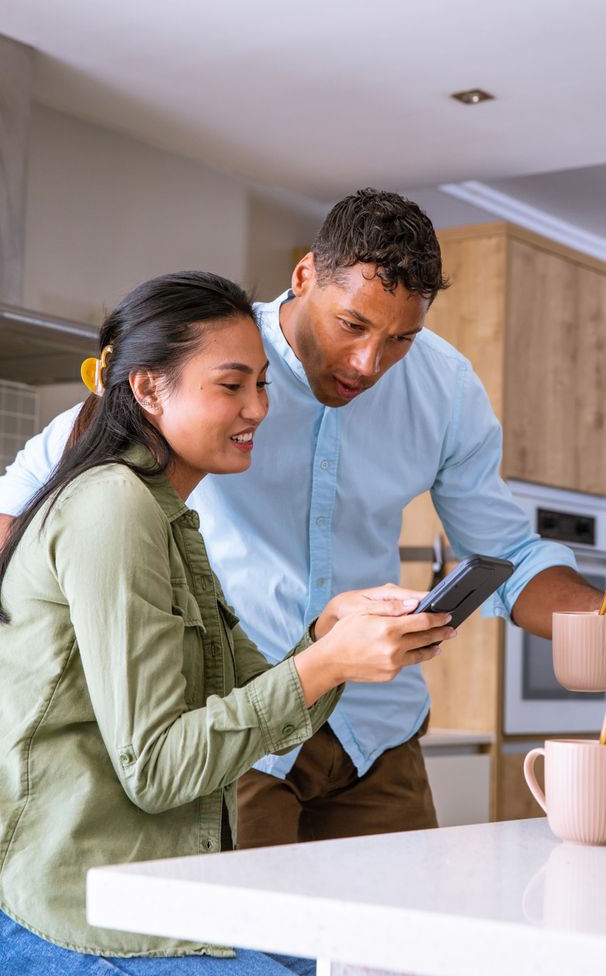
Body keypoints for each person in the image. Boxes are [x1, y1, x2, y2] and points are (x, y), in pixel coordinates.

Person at [0, 190, 606, 851]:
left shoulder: (445, 388)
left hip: (375, 732)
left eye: (401, 338)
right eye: (353, 325)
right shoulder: (207, 360)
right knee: (255, 951)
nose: (370, 364)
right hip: (234, 733)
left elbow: (505, 547)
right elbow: (22, 504)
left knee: (400, 951)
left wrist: (588, 612)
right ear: (305, 275)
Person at [0, 271, 456, 971]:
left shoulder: (170, 516)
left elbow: (255, 697)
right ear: (149, 388)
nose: (258, 409)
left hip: (164, 885)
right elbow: (155, 768)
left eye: (263, 385)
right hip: (80, 904)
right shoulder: (112, 509)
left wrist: (326, 638)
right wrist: (327, 662)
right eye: (231, 385)